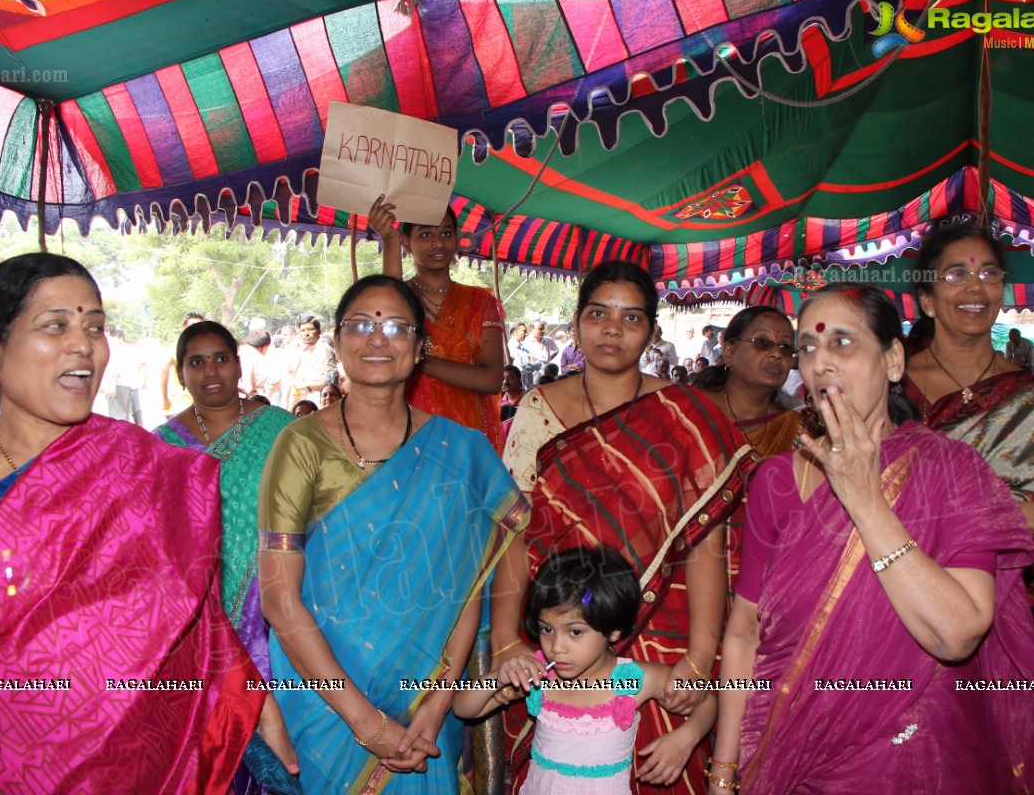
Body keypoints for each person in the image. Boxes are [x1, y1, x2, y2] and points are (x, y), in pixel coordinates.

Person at [0, 254, 263, 793]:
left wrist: (247, 700)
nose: (84, 345)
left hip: (152, 767)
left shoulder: (139, 463)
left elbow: (195, 614)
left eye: (94, 327)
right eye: (56, 325)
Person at [712, 283, 1034, 793]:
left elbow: (958, 632)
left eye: (843, 342)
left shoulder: (952, 471)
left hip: (920, 757)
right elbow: (745, 630)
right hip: (792, 748)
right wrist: (724, 771)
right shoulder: (777, 480)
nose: (820, 364)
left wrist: (865, 499)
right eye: (808, 348)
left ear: (894, 359)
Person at [257, 274, 529, 794]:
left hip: (423, 695)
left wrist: (438, 701)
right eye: (360, 324)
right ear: (337, 342)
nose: (377, 339)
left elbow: (465, 584)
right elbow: (278, 598)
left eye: (396, 327)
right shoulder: (299, 445)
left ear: (421, 348)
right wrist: (365, 722)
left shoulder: (462, 451)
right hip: (322, 699)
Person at [497, 261, 756, 795]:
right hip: (561, 628)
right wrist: (504, 640)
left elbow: (705, 540)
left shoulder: (684, 413)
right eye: (598, 314)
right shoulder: (538, 408)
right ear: (577, 323)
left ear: (651, 329)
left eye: (630, 317)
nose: (612, 329)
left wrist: (697, 658)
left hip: (665, 628)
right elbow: (513, 533)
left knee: (660, 767)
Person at [902, 223, 1034, 710]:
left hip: (1014, 616)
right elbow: (869, 504)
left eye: (988, 273)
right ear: (926, 299)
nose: (975, 286)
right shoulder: (888, 389)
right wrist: (1024, 514)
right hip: (898, 604)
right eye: (955, 274)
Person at [153, 320, 299, 793]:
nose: (210, 371)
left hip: (275, 608)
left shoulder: (280, 429)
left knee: (282, 748)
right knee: (209, 754)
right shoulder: (160, 446)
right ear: (181, 374)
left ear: (240, 366)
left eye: (221, 358)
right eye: (196, 362)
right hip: (193, 619)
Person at [455, 546, 718, 792]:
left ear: (613, 630)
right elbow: (464, 707)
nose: (557, 647)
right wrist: (498, 677)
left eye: (575, 632)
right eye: (547, 629)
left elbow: (707, 702)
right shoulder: (540, 674)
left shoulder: (629, 680)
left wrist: (686, 738)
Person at [371, 196, 506, 451]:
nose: (437, 243)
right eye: (425, 235)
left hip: (469, 439)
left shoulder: (481, 302)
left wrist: (419, 361)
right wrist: (388, 242)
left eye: (445, 233)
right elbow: (389, 323)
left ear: (456, 239)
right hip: (412, 435)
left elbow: (491, 380)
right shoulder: (402, 298)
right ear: (405, 241)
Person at [692, 306, 803, 609]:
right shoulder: (689, 411)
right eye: (762, 343)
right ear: (728, 350)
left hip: (760, 586)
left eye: (785, 347)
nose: (776, 355)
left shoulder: (798, 432)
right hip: (684, 568)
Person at [283, 315, 336, 409]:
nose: (306, 334)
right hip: (302, 401)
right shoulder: (300, 349)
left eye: (310, 330)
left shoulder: (323, 349)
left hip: (319, 403)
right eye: (303, 330)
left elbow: (331, 380)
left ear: (319, 331)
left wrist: (306, 386)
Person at [161, 310, 204, 416]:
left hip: (201, 405)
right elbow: (164, 371)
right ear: (184, 327)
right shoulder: (178, 346)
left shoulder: (204, 348)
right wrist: (165, 398)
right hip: (182, 404)